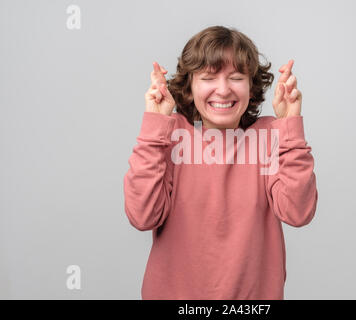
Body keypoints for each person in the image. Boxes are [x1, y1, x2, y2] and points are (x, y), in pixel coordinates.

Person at [123, 25, 318, 300]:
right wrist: (155, 126)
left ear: (252, 86)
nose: (223, 90)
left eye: (236, 77)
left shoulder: (268, 136)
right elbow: (143, 216)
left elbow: (298, 213)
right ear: (190, 85)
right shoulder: (171, 136)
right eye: (208, 78)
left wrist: (289, 127)